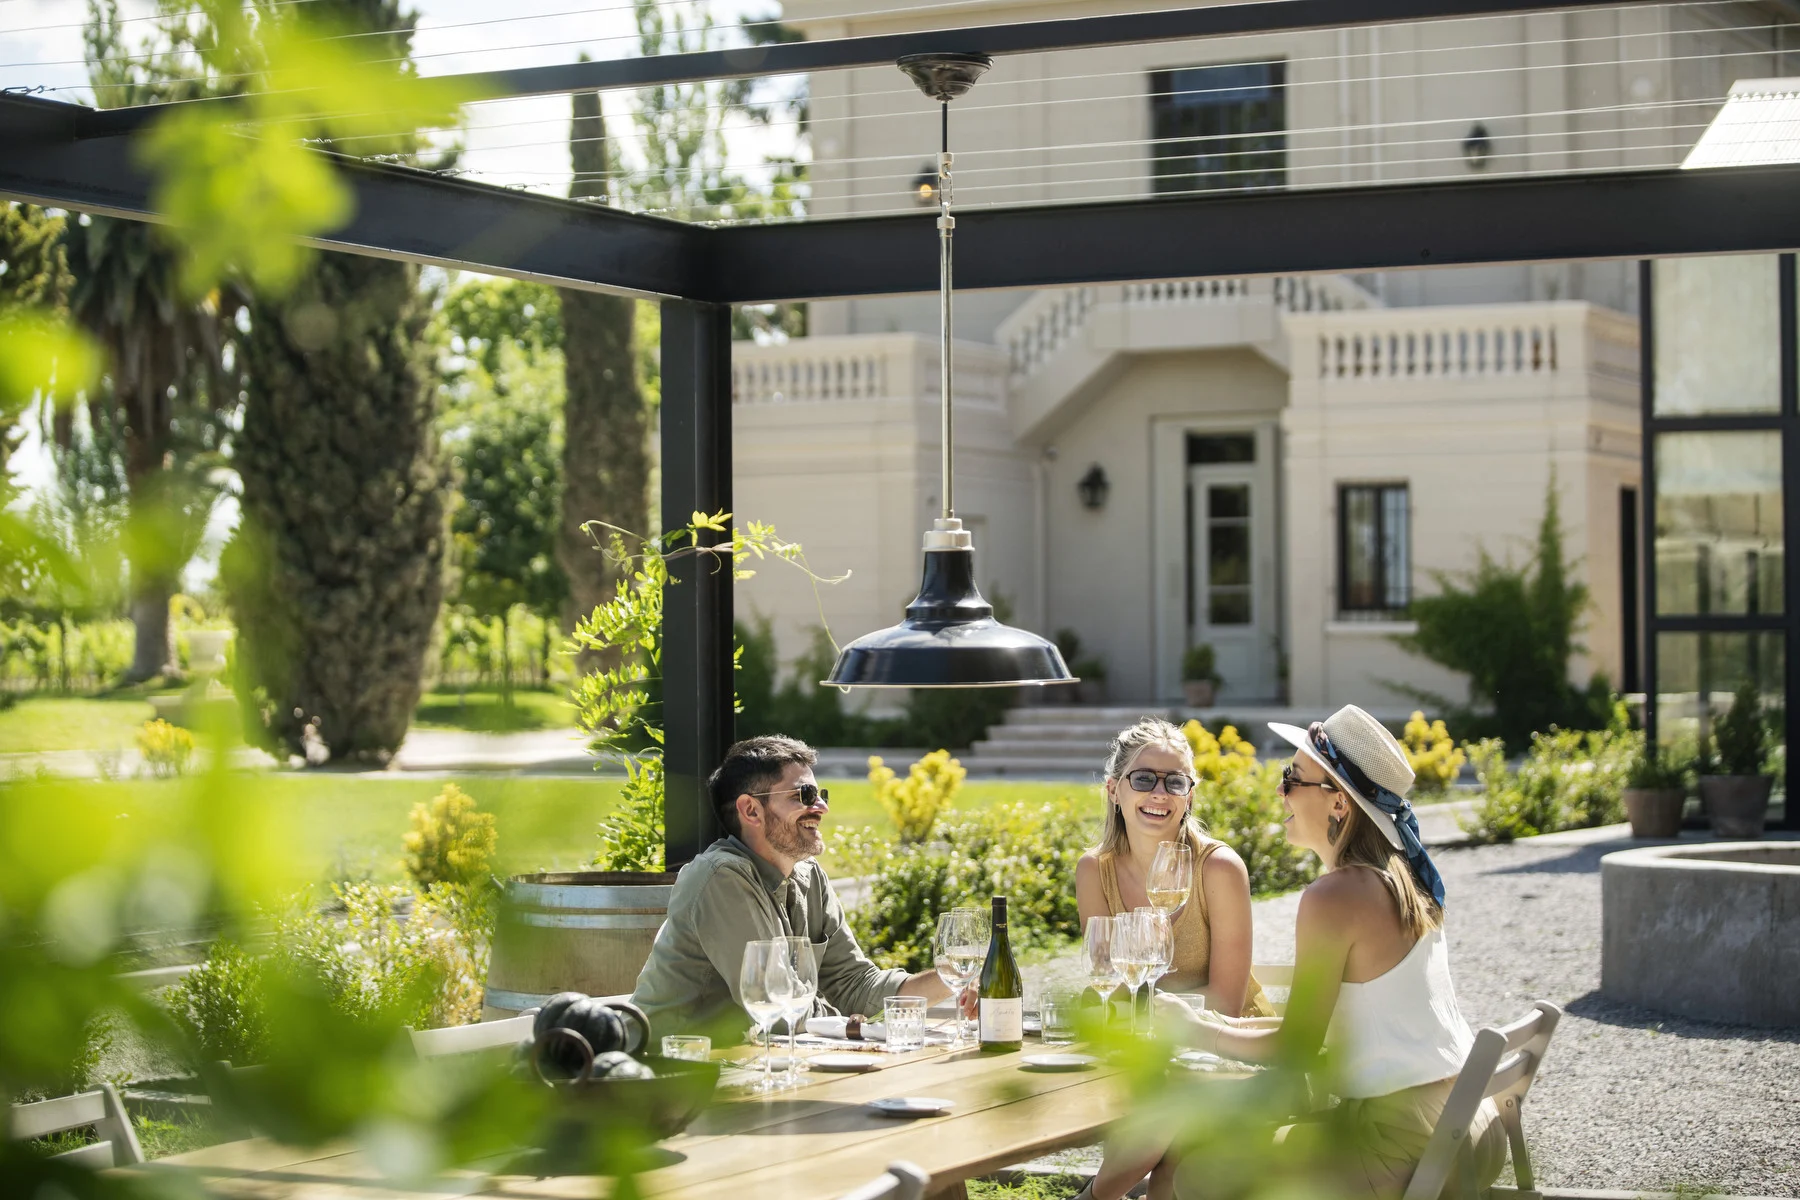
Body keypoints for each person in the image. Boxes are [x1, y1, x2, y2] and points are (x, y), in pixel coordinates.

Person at [1148, 704, 1505, 1200]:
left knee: (1199, 1173)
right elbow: (1313, 1031)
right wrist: (1221, 1025)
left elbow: (1294, 1053)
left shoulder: (1335, 896)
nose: (1280, 790)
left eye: (1293, 777)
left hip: (1407, 1145)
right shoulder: (1398, 879)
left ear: (1338, 802)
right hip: (1466, 1127)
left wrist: (1197, 1032)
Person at [631, 734, 958, 1041]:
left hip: (752, 1069)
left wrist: (952, 979)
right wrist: (862, 1027)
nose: (821, 807)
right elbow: (778, 1007)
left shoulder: (810, 877)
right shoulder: (720, 877)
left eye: (821, 795)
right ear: (751, 810)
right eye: (804, 795)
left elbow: (855, 985)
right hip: (669, 1076)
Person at [1075, 717, 1273, 1016]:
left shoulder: (1219, 869)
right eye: (1143, 779)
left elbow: (1227, 1002)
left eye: (1175, 782)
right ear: (1113, 790)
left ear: (1189, 796)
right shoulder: (1094, 871)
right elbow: (1107, 985)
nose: (1160, 793)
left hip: (1230, 1043)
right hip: (1142, 1048)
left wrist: (1132, 1011)